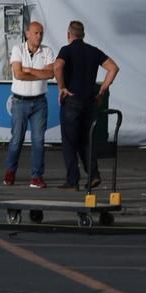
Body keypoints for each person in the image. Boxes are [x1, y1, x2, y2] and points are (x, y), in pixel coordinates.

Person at [53, 20, 118, 190]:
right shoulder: (93, 51)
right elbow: (113, 68)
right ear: (83, 35)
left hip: (72, 100)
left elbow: (57, 66)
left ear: (69, 35)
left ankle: (72, 180)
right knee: (86, 140)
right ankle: (94, 174)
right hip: (89, 101)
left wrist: (62, 88)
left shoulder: (66, 50)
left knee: (69, 141)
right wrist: (102, 91)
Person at [4, 21, 56, 188]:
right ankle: (10, 172)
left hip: (40, 102)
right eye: (36, 33)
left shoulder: (47, 51)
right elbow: (18, 74)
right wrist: (38, 74)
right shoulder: (17, 49)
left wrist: (30, 70)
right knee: (16, 139)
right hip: (20, 101)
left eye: (41, 33)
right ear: (27, 34)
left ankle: (37, 176)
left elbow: (50, 74)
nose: (39, 36)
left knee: (38, 141)